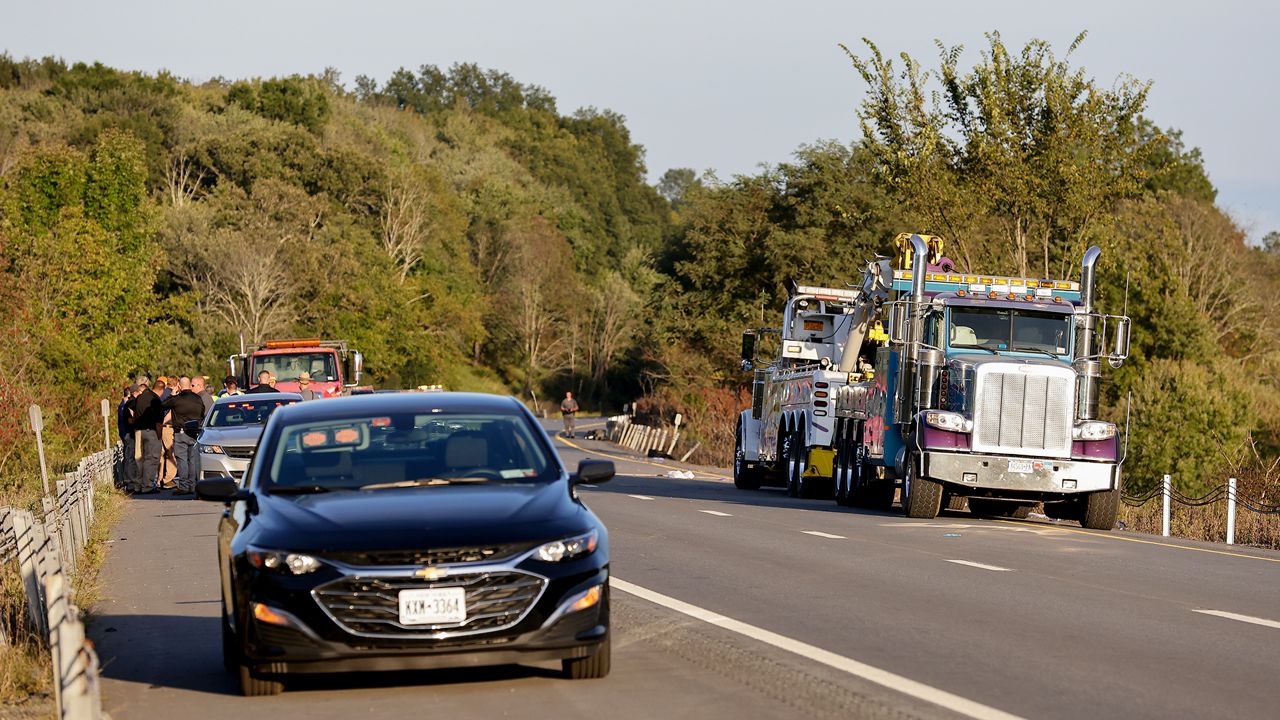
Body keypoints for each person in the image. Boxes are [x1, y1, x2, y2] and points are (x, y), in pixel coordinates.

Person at [163, 376, 205, 495]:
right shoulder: (197, 398)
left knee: (182, 460)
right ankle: (192, 485)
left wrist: (172, 394)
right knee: (192, 459)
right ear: (189, 385)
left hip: (180, 433)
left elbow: (163, 405)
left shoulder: (177, 399)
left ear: (179, 386)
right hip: (194, 432)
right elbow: (202, 412)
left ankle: (184, 485)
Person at [130, 376, 164, 493]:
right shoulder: (155, 400)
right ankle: (147, 486)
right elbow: (159, 422)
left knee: (139, 459)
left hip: (138, 431)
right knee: (151, 458)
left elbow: (133, 411)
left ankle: (137, 486)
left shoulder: (139, 398)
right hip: (151, 431)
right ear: (162, 390)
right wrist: (159, 437)